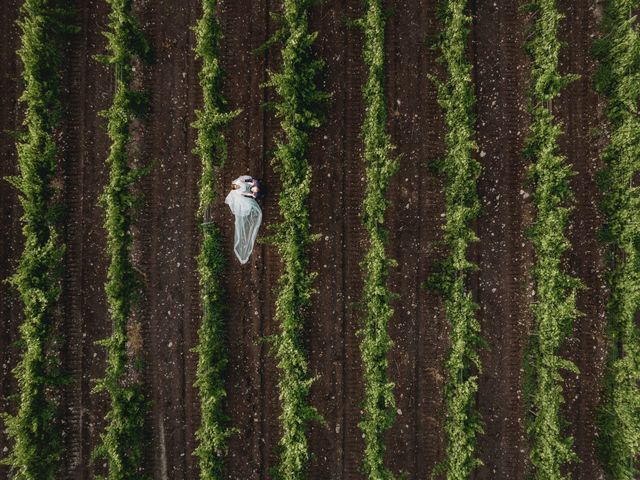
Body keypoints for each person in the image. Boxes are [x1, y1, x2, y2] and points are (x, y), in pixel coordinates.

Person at [225, 175, 263, 264]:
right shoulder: (240, 187)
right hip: (243, 192)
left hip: (246, 189)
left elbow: (248, 185)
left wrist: (252, 192)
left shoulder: (246, 183)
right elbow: (245, 193)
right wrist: (251, 194)